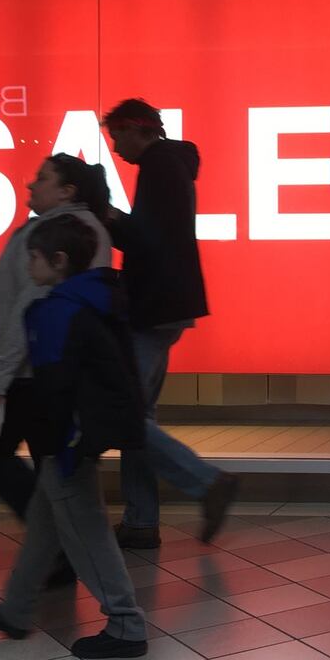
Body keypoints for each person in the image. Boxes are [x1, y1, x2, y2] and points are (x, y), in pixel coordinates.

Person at [0, 213, 149, 658]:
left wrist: (52, 442)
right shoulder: (98, 298)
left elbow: (54, 386)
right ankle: (15, 610)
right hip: (77, 436)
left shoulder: (55, 312)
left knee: (88, 534)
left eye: (34, 257)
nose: (28, 266)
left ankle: (126, 624)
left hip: (64, 442)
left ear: (58, 260)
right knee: (44, 528)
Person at [102, 98, 238, 548]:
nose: (115, 147)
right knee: (137, 414)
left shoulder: (159, 166)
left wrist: (108, 216)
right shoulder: (172, 163)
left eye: (116, 135)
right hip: (169, 304)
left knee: (122, 413)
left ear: (136, 128)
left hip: (153, 305)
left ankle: (205, 482)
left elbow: (146, 239)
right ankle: (141, 521)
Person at [0, 154, 114, 588]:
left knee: (4, 462)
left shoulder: (58, 233)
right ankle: (49, 571)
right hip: (37, 372)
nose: (30, 186)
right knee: (50, 479)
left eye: (42, 178)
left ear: (67, 190)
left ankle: (65, 565)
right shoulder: (77, 228)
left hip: (30, 373)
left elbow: (28, 305)